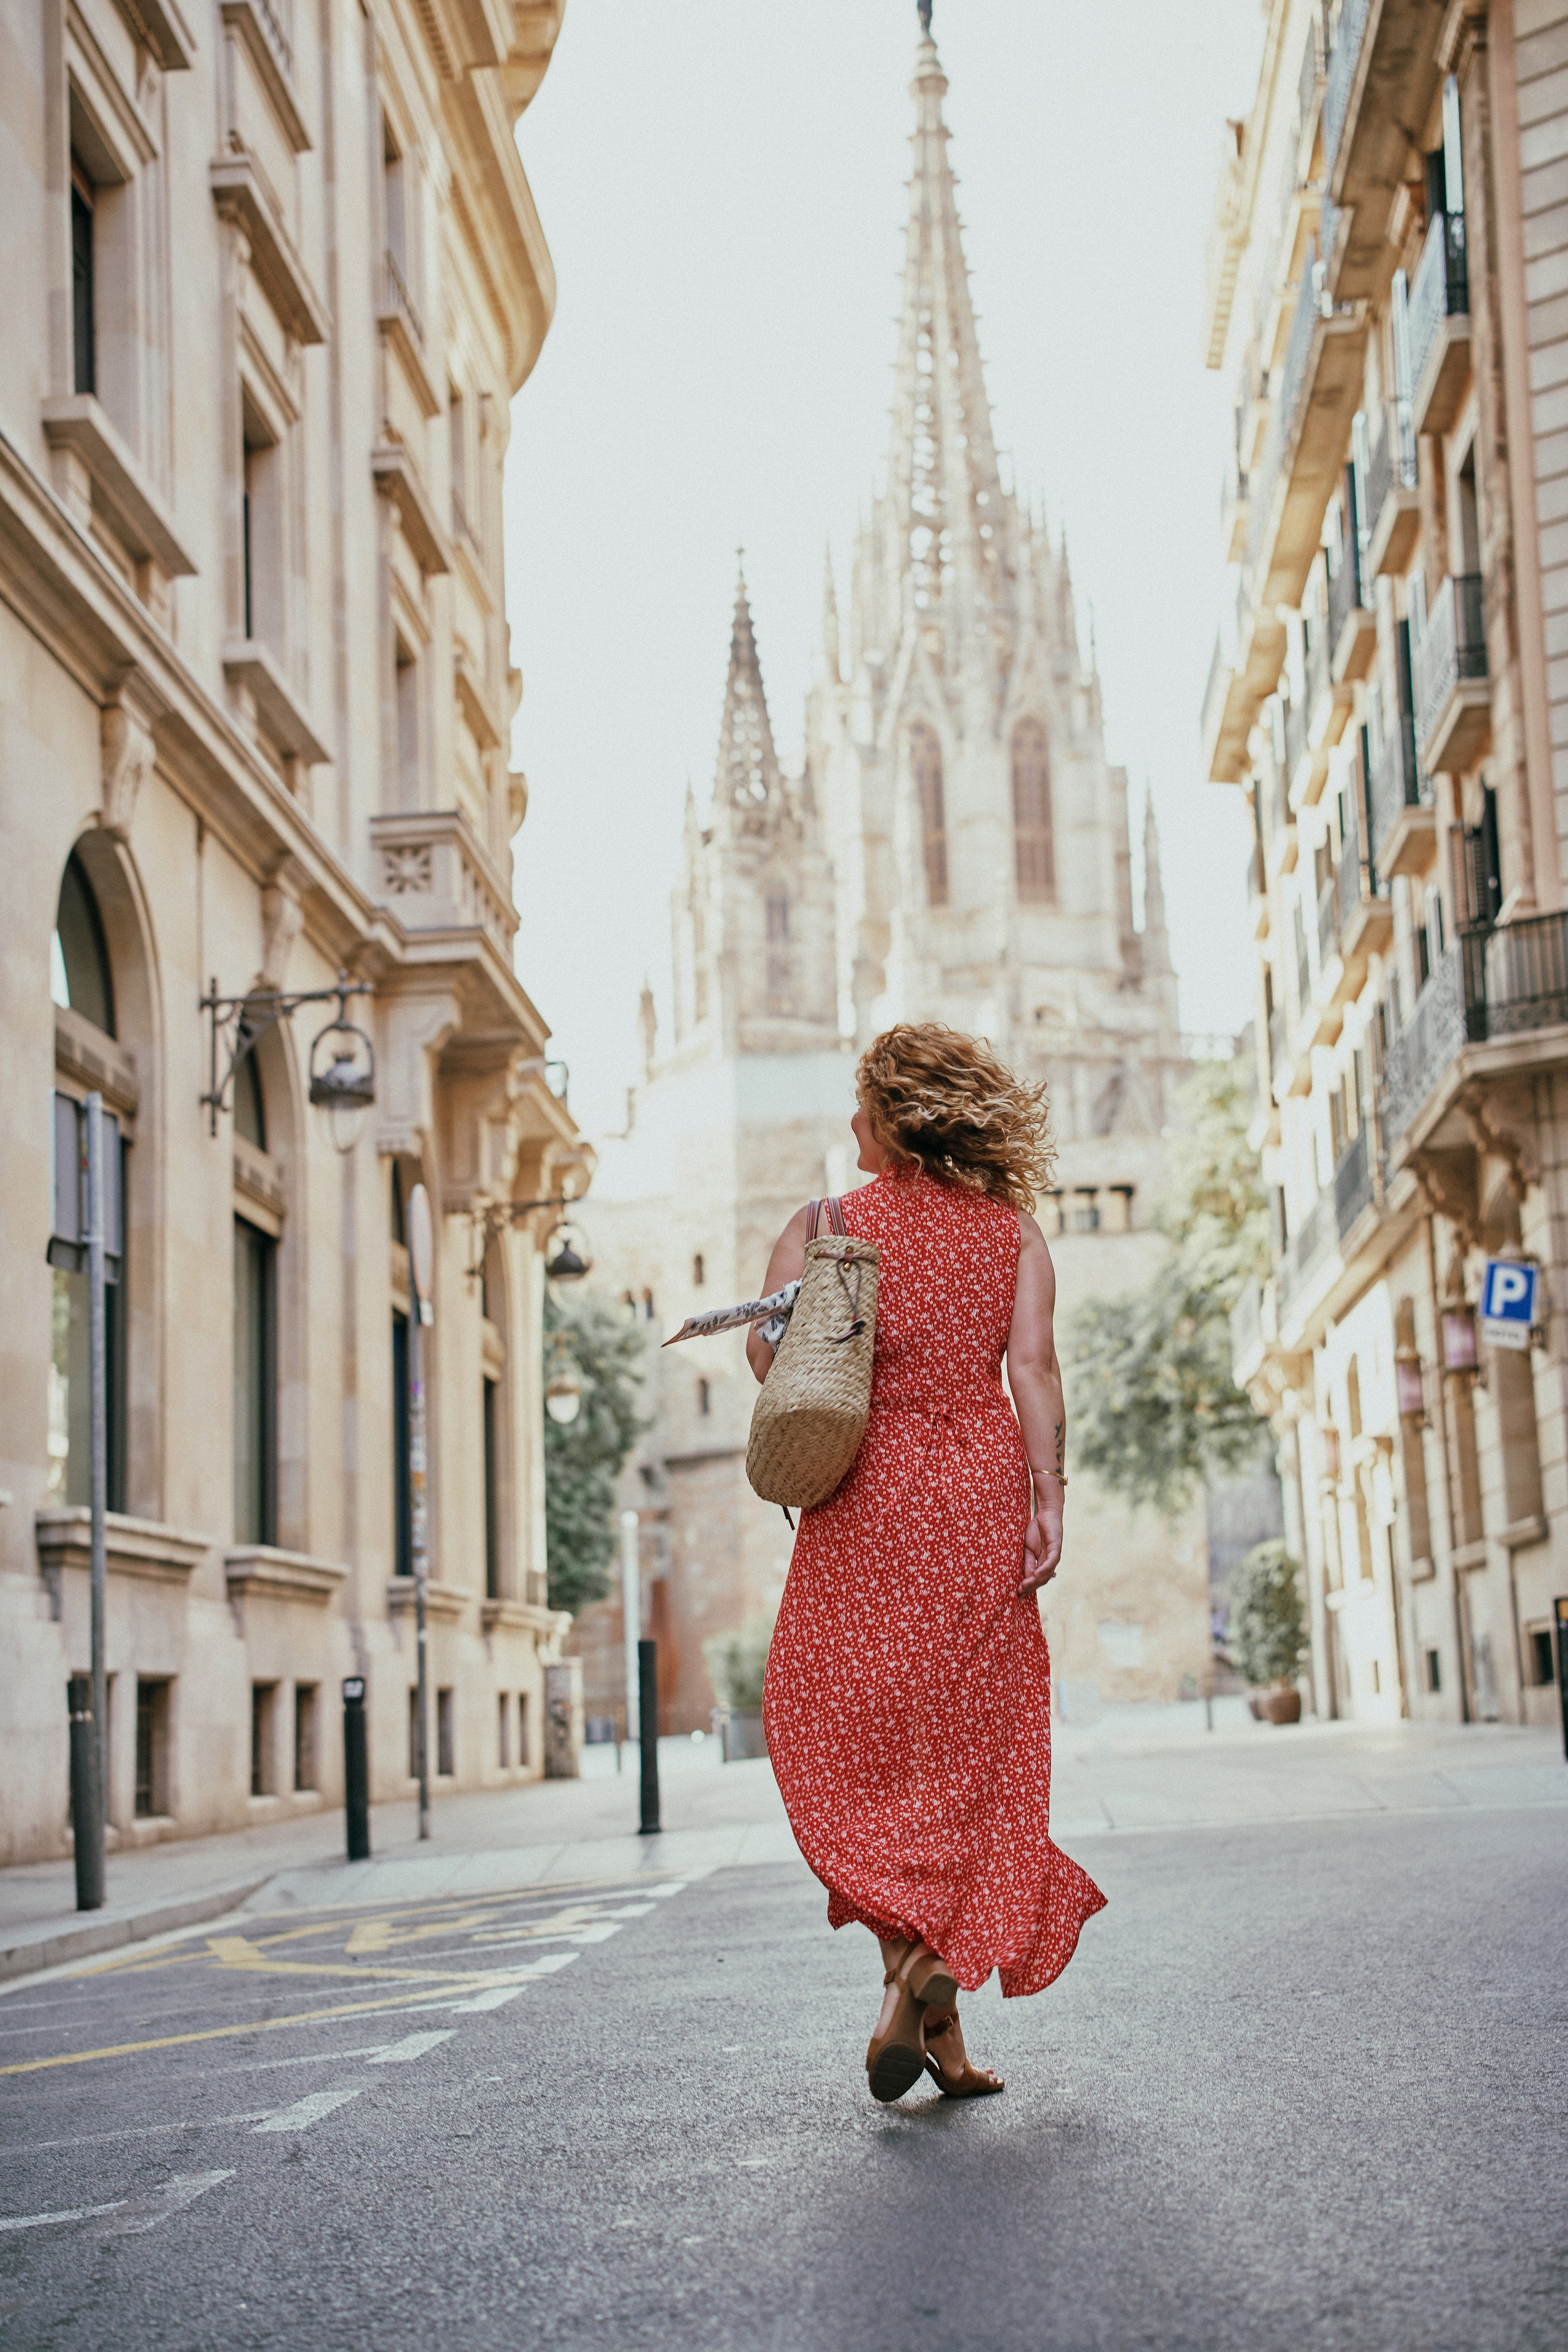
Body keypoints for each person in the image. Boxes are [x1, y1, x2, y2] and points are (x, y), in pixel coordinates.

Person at [749, 1022, 1106, 2103]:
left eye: (862, 1102)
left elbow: (774, 1356)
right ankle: (939, 2031)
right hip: (978, 1488)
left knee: (847, 1736)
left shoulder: (825, 1225)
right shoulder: (1013, 1234)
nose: (849, 1121)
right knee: (961, 1749)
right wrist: (1050, 1498)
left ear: (895, 1116)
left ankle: (912, 1970)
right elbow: (1034, 1370)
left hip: (866, 1493)